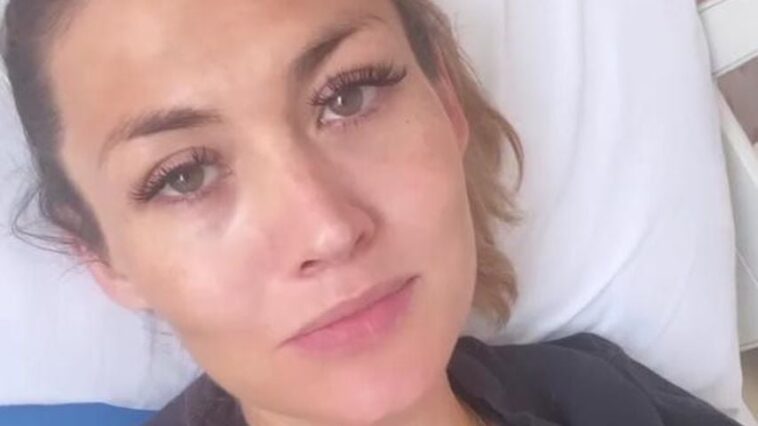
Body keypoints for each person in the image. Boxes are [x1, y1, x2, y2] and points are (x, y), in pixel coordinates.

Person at [2, 0, 741, 425]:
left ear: (447, 103)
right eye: (184, 175)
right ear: (103, 255)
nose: (326, 229)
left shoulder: (603, 399)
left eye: (348, 95)